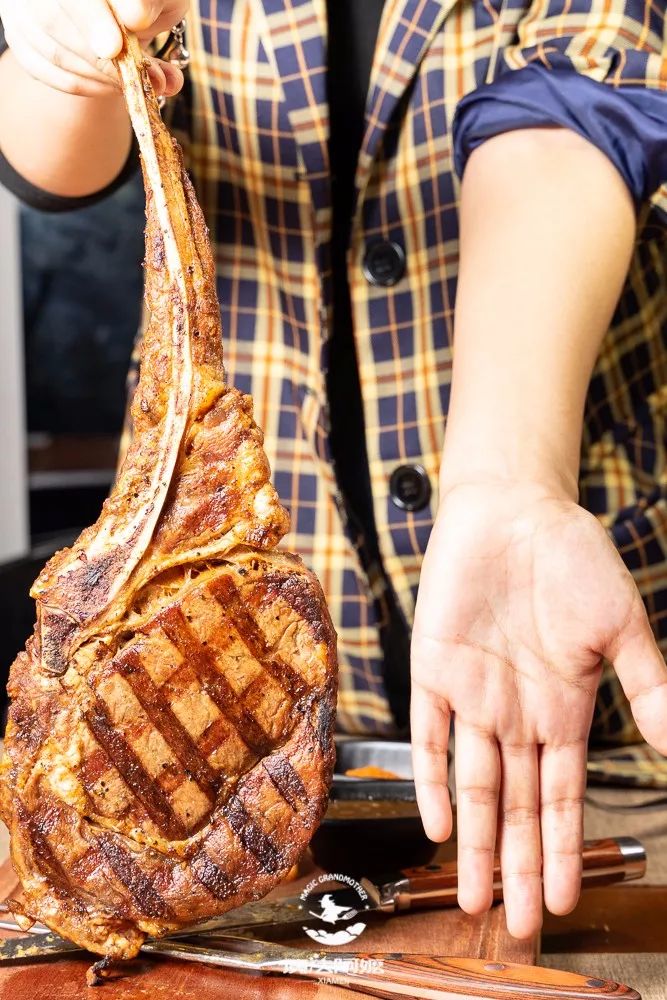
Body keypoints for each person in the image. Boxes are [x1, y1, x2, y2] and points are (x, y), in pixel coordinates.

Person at [1, 0, 666, 941]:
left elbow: (572, 111)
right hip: (227, 759)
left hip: (570, 708)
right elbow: (53, 157)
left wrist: (509, 481)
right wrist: (68, 43)